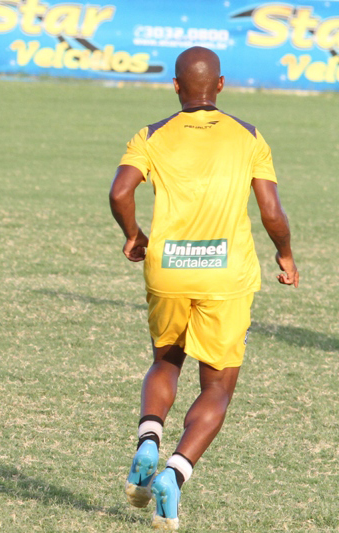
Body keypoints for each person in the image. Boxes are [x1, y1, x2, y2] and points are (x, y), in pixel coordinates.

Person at [109, 46, 298, 530]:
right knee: (217, 386)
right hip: (225, 274)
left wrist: (133, 235)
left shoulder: (151, 135)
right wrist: (285, 254)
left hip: (168, 269)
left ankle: (149, 440)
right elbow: (272, 212)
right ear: (220, 85)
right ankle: (175, 471)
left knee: (165, 359)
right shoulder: (248, 136)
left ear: (175, 86)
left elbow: (120, 191)